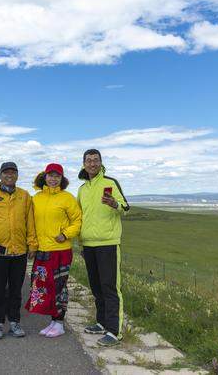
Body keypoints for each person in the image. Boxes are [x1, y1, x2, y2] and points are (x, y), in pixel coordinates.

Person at [0, 161, 38, 340]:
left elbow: (30, 223)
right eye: (6, 173)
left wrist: (32, 245)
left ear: (17, 175)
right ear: (0, 175)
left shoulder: (25, 196)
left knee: (16, 290)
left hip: (19, 252)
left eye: (13, 172)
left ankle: (15, 322)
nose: (9, 176)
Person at [77, 149, 130, 347]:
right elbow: (80, 217)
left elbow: (125, 207)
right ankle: (101, 323)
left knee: (110, 287)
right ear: (83, 164)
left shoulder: (110, 182)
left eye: (95, 160)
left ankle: (115, 332)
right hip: (89, 245)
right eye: (88, 160)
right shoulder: (82, 189)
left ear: (101, 162)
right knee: (96, 286)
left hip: (108, 243)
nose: (92, 163)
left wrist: (114, 203)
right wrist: (81, 243)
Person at [25, 163, 82, 338]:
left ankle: (59, 322)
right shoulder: (36, 198)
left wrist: (65, 234)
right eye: (50, 175)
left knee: (58, 287)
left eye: (57, 176)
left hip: (60, 250)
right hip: (42, 251)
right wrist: (33, 247)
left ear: (62, 179)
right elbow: (31, 225)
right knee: (42, 286)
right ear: (44, 176)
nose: (53, 179)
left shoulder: (67, 198)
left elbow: (77, 221)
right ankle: (52, 321)